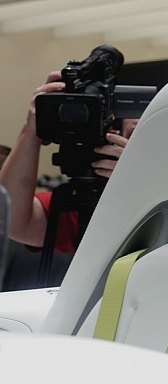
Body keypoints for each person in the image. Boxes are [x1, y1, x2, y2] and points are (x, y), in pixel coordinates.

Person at [0, 71, 137, 254]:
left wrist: (143, 186)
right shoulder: (94, 203)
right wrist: (31, 128)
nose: (135, 146)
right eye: (134, 134)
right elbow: (11, 221)